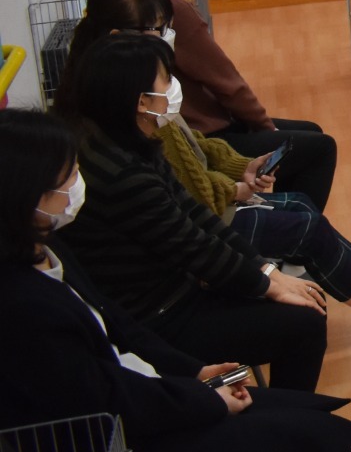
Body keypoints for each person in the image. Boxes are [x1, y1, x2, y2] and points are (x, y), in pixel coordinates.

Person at [0, 109, 351, 452]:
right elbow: (107, 400)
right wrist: (204, 400)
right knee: (313, 441)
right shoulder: (21, 306)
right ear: (26, 197)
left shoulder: (46, 249)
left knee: (312, 418)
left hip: (141, 409)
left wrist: (194, 373)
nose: (78, 184)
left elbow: (120, 327)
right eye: (66, 177)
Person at [56, 0, 351, 343]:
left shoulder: (132, 86)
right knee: (304, 224)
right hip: (195, 236)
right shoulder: (125, 106)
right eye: (157, 29)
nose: (166, 37)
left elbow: (192, 145)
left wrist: (238, 170)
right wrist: (235, 192)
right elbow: (189, 199)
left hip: (206, 208)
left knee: (302, 205)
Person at [57, 36, 331, 392]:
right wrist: (269, 285)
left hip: (174, 291)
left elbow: (192, 213)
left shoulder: (126, 141)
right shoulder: (121, 172)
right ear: (141, 101)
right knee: (306, 321)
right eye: (165, 79)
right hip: (161, 316)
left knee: (298, 294)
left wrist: (267, 273)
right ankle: (290, 417)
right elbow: (193, 246)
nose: (173, 87)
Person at [115, 0, 339, 212]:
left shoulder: (138, 2)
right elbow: (227, 83)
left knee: (310, 132)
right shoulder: (171, 10)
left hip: (194, 124)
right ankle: (294, 226)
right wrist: (265, 127)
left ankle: (284, 214)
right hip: (207, 131)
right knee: (319, 148)